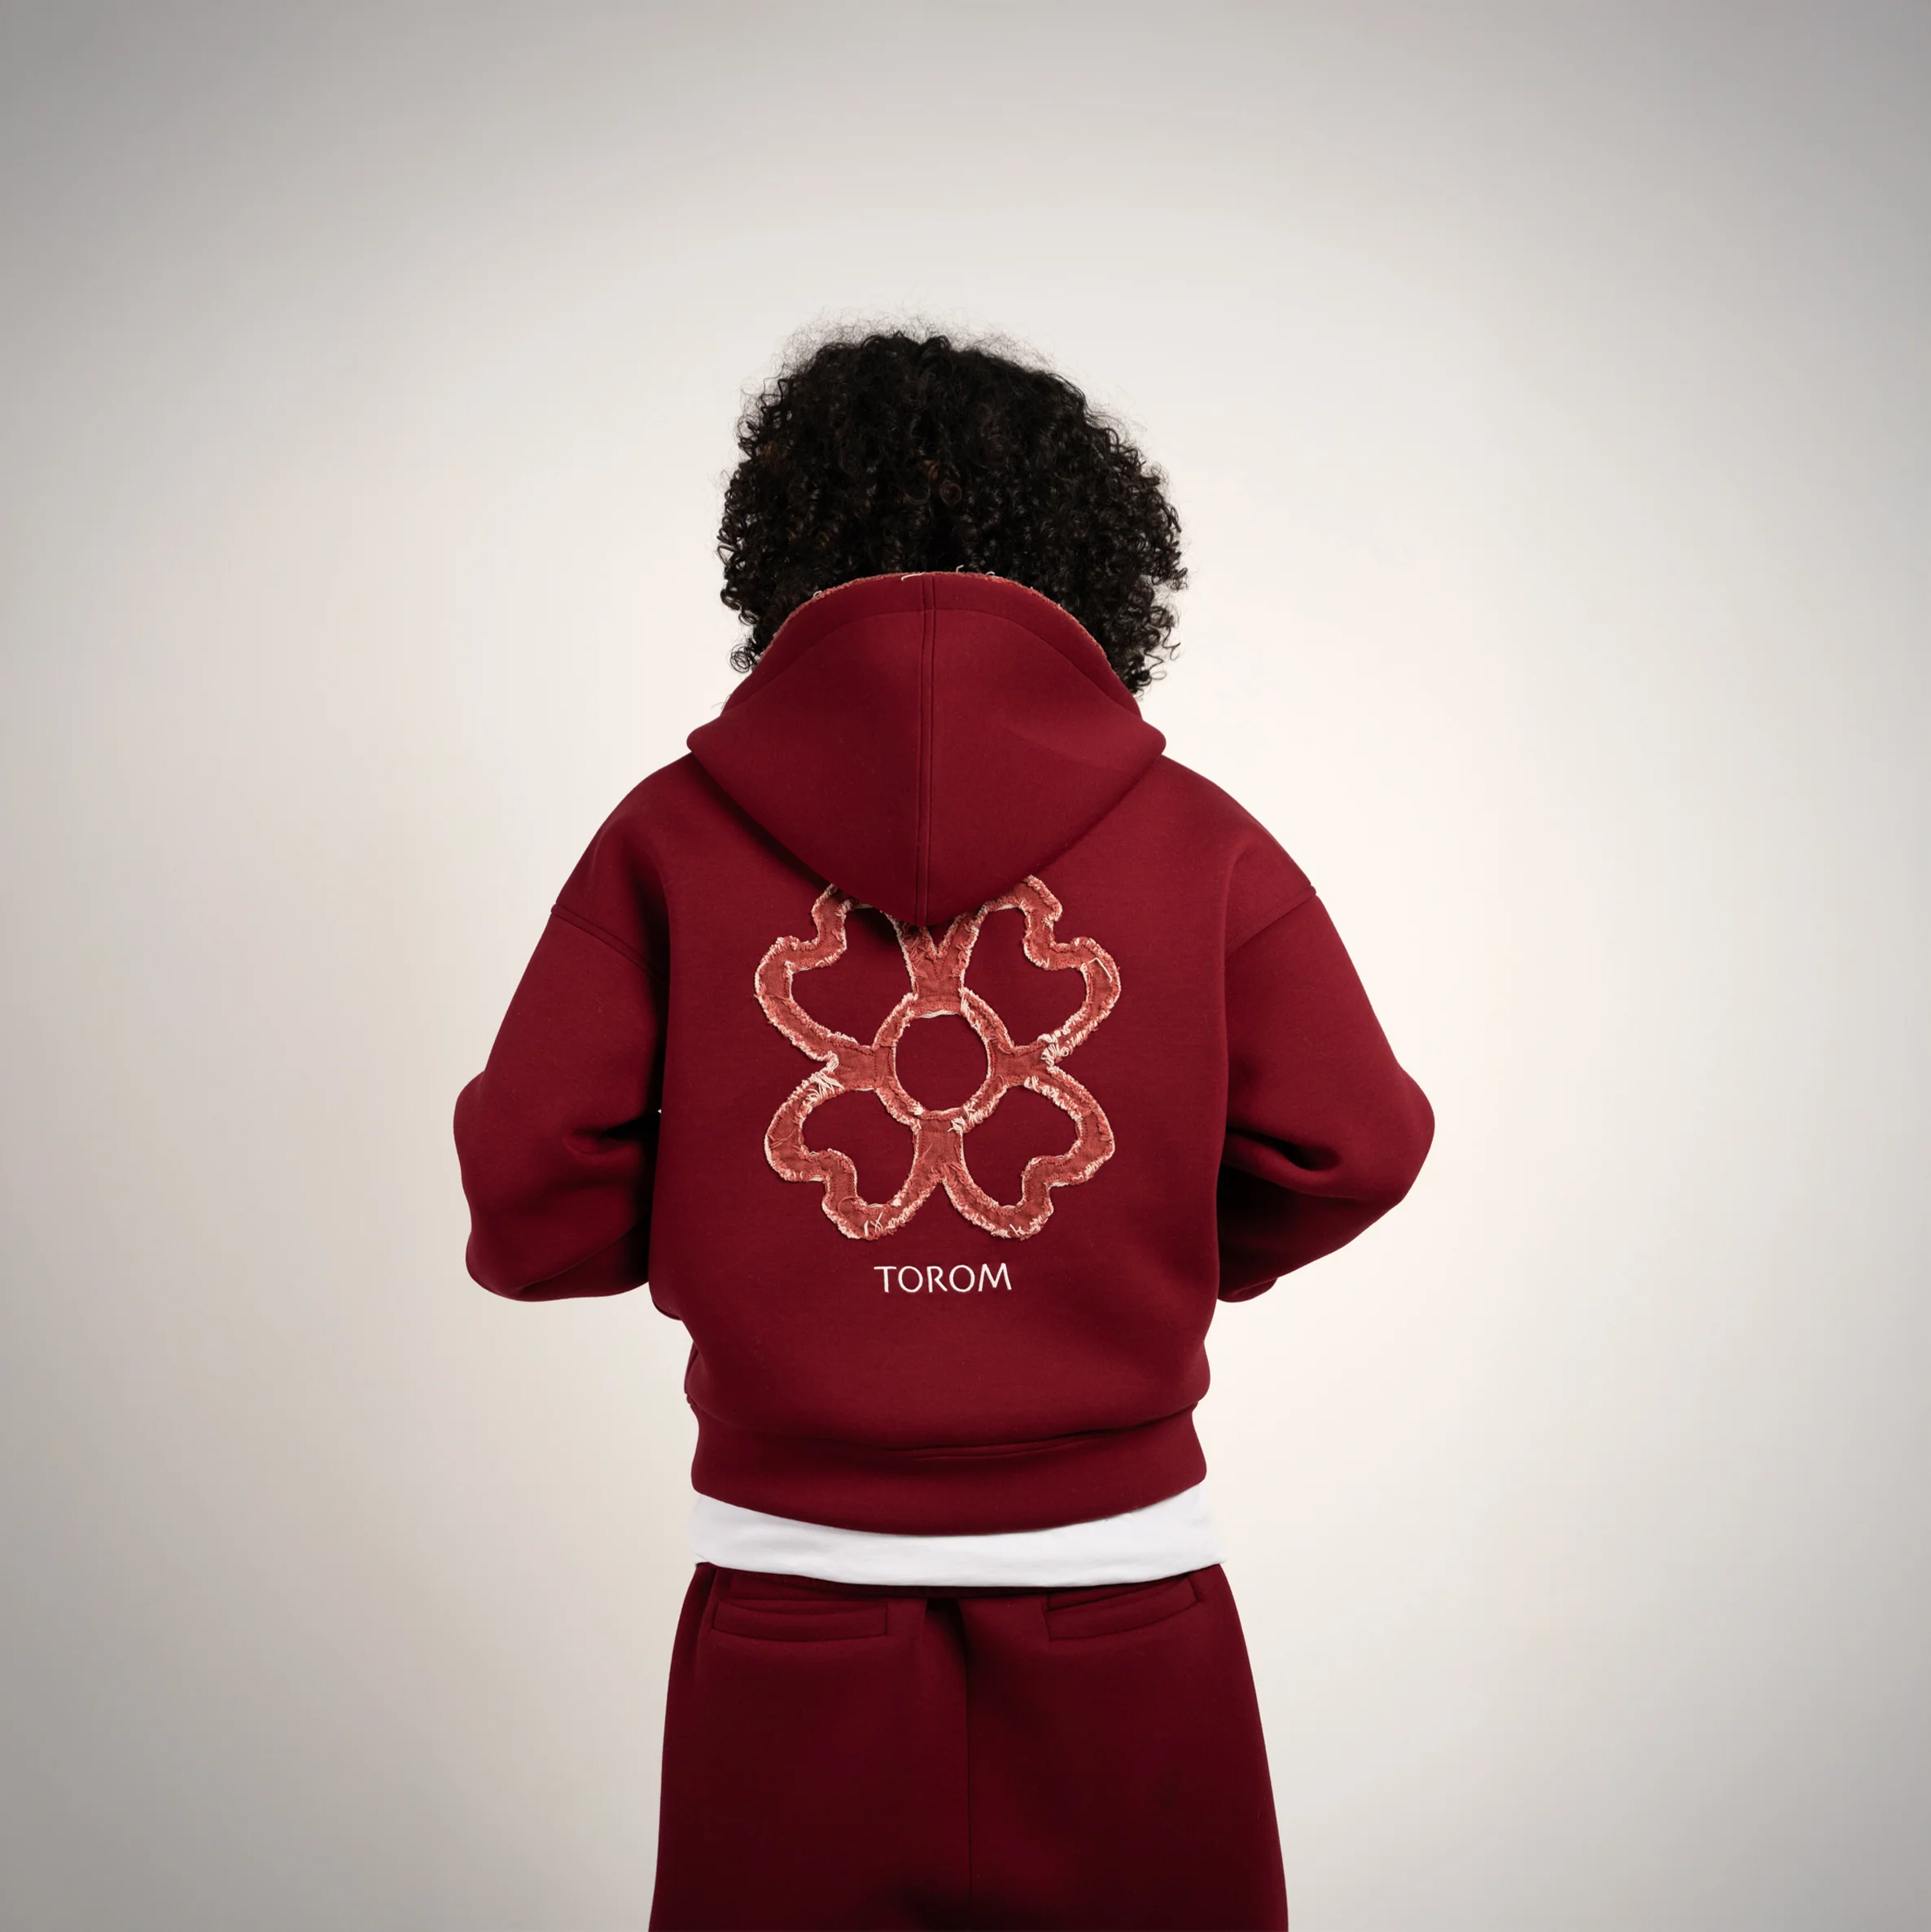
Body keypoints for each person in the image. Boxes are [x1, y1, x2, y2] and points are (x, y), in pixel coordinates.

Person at [454, 328, 1433, 1931]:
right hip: (1126, 1598)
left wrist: (734, 1234)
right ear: (1097, 557)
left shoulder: (669, 838)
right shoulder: (1199, 840)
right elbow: (1357, 1140)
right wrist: (1142, 1247)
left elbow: (528, 1184)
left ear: (782, 554)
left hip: (789, 1604)